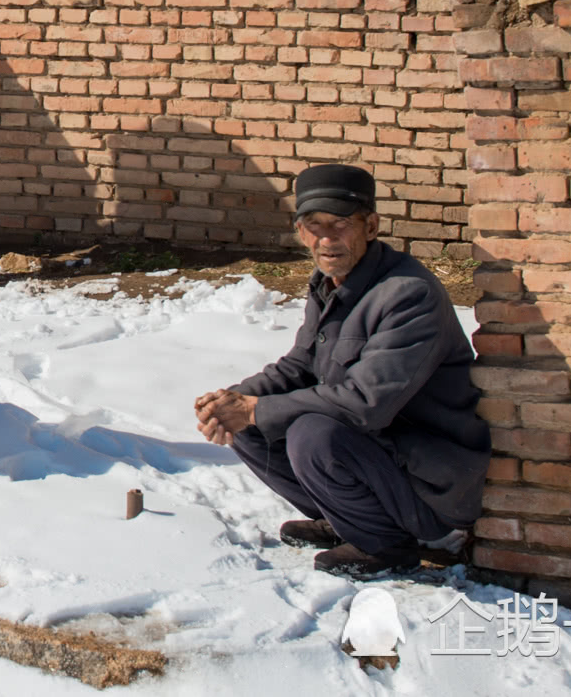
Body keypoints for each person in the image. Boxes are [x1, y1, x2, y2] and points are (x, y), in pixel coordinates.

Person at [192, 165, 490, 578]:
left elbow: (366, 403)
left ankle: (386, 545)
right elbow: (300, 365)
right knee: (251, 424)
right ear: (301, 232)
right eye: (314, 225)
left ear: (371, 226)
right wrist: (231, 401)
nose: (327, 239)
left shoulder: (408, 293)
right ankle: (348, 519)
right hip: (379, 459)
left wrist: (255, 409)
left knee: (311, 434)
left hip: (430, 486)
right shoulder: (329, 281)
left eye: (341, 224)